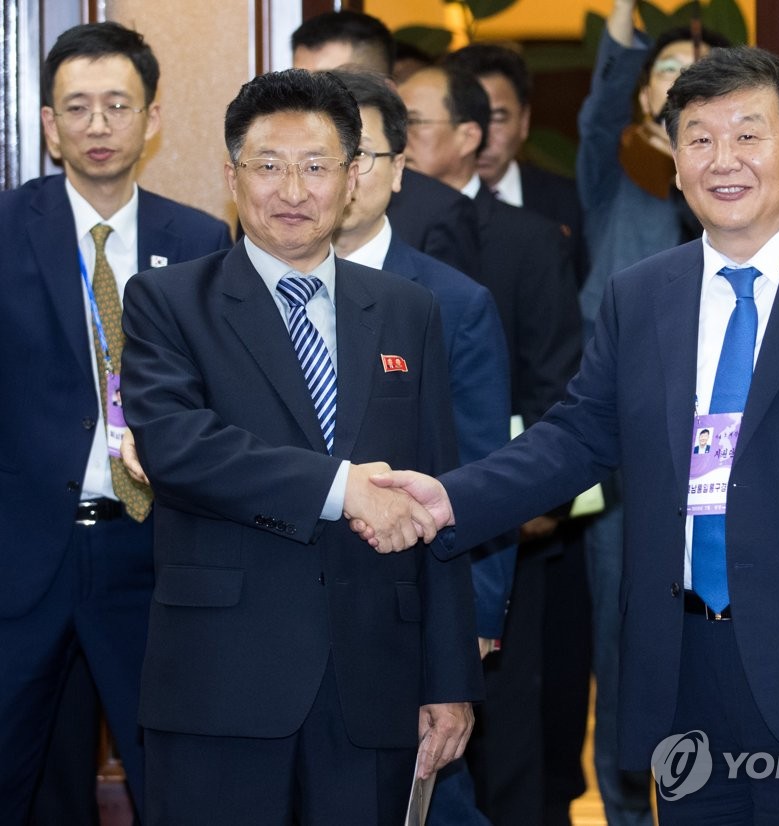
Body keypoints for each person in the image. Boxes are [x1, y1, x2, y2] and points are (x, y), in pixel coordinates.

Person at [358, 46, 779, 825]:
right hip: (682, 664)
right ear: (675, 161)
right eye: (699, 139)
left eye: (748, 135)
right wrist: (449, 498)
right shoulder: (644, 293)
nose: (723, 160)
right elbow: (576, 436)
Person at [119, 68, 481, 824]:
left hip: (373, 681)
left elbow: (438, 495)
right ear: (232, 176)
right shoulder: (167, 301)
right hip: (221, 680)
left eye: (316, 166)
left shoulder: (409, 311)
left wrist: (449, 679)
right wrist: (343, 488)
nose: (292, 190)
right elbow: (178, 447)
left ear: (352, 178)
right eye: (268, 165)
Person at [0, 21, 232, 824]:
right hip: (24, 553)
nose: (97, 124)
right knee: (22, 781)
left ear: (152, 117)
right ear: (48, 124)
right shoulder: (5, 230)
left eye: (117, 105)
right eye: (77, 107)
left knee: (172, 777)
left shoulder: (199, 240)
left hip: (151, 550)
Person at [397, 63, 583, 826]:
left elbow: (556, 387)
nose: (399, 140)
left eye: (413, 124)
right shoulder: (368, 239)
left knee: (505, 727)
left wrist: (525, 500)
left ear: (469, 135)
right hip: (399, 520)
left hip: (505, 528)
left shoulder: (528, 239)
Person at [330, 67, 515, 825]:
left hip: (409, 609)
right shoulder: (250, 294)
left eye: (361, 154)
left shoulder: (454, 303)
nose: (342, 175)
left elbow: (483, 475)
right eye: (322, 155)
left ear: (400, 168)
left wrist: (472, 630)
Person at [575, 5, 729, 822]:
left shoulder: (736, 199)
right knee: (621, 644)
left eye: (698, 74)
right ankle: (628, 809)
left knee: (721, 639)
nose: (681, 83)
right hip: (625, 468)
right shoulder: (613, 188)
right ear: (644, 98)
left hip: (726, 459)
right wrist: (623, 23)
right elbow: (597, 120)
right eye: (666, 73)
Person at [291, 10, 481, 281]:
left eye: (333, 84)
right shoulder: (274, 201)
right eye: (301, 87)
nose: (310, 102)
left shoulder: (440, 214)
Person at [443, 43, 587, 287]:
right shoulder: (422, 204)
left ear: (524, 121)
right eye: (469, 118)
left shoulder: (568, 203)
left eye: (498, 118)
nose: (483, 137)